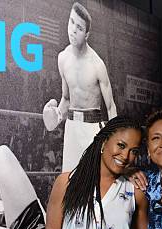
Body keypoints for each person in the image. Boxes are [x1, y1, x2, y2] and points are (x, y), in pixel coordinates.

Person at [42, 2, 117, 172]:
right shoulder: (62, 58)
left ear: (87, 34)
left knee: (92, 184)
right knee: (69, 180)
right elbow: (67, 98)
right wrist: (57, 115)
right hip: (71, 126)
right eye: (71, 22)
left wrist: (113, 139)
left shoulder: (97, 65)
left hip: (93, 128)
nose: (73, 30)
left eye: (79, 28)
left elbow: (111, 106)